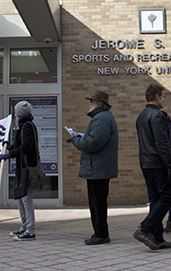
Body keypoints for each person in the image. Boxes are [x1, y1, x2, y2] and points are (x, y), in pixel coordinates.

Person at [66, 90, 119, 245]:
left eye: (92, 101)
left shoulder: (101, 118)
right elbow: (95, 139)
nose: (89, 103)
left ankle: (101, 234)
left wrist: (76, 141)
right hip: (98, 168)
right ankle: (99, 232)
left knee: (98, 203)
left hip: (98, 169)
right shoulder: (101, 118)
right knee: (97, 203)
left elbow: (93, 143)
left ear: (99, 104)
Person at [133, 84, 171, 250]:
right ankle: (144, 228)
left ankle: (158, 237)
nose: (164, 100)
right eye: (163, 96)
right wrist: (169, 166)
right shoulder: (157, 115)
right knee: (166, 198)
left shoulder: (141, 116)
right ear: (157, 96)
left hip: (145, 163)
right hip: (158, 163)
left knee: (155, 200)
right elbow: (161, 143)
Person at [0, 101, 39, 241]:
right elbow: (22, 145)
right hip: (21, 166)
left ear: (20, 114)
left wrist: (10, 154)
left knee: (26, 198)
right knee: (19, 197)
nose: (15, 114)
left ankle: (30, 230)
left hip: (26, 167)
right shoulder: (21, 126)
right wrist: (11, 147)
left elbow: (27, 147)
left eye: (16, 112)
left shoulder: (27, 126)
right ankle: (23, 226)